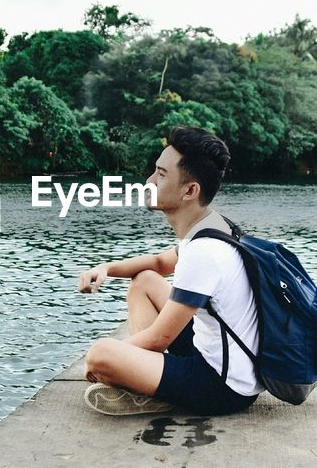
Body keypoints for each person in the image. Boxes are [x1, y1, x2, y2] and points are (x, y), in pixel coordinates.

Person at [78, 126, 262, 417]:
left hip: (222, 387)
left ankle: (154, 388)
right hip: (224, 360)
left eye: (161, 175)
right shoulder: (213, 227)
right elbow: (159, 264)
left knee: (100, 353)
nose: (149, 181)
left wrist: (111, 359)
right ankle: (152, 381)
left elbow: (158, 339)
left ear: (190, 190)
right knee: (144, 282)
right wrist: (106, 268)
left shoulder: (203, 253)